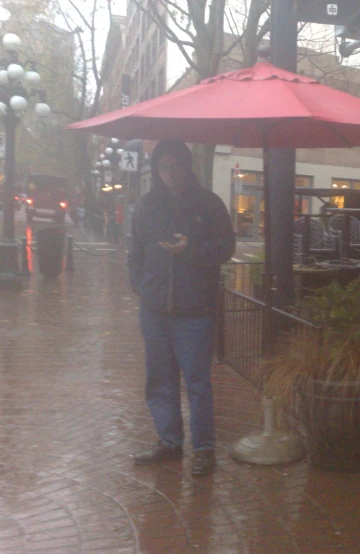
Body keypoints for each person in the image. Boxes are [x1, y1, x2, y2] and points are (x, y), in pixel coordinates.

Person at [128, 139, 235, 476]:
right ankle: (169, 442)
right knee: (159, 379)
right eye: (163, 166)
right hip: (155, 309)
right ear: (156, 170)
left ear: (188, 167)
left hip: (194, 311)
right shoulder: (147, 206)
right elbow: (136, 253)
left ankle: (204, 448)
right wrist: (142, 288)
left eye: (176, 165)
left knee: (197, 382)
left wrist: (191, 250)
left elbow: (225, 248)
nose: (170, 173)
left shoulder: (209, 205)